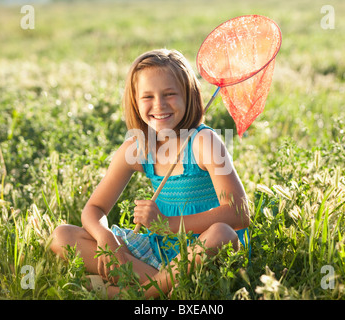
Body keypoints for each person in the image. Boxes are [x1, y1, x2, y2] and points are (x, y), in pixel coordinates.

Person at [50, 49, 250, 298]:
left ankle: (133, 294)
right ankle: (164, 286)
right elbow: (94, 209)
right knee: (62, 236)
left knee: (223, 233)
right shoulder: (137, 147)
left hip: (204, 251)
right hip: (159, 251)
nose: (159, 105)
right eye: (147, 97)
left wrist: (167, 224)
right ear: (135, 100)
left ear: (188, 96)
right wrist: (105, 237)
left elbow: (239, 214)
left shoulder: (204, 142)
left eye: (169, 94)